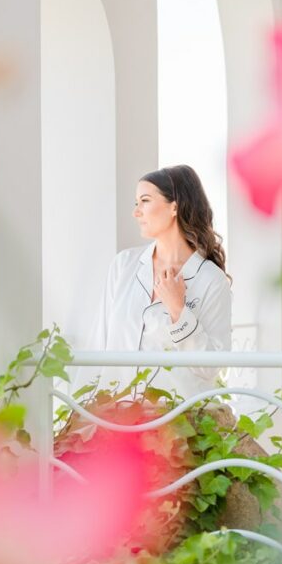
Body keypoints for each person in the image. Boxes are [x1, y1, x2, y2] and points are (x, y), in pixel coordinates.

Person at [86, 165, 232, 401]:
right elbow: (98, 343)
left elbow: (211, 367)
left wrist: (178, 311)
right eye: (136, 203)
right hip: (115, 420)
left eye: (145, 200)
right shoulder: (124, 265)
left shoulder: (211, 281)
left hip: (177, 424)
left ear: (174, 206)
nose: (136, 212)